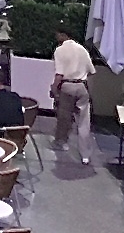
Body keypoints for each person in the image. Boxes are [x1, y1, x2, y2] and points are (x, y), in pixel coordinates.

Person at [51, 25, 95, 164]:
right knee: (83, 122)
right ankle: (85, 155)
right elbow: (92, 71)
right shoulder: (83, 50)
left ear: (63, 35)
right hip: (82, 86)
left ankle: (62, 142)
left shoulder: (60, 50)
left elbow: (59, 74)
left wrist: (54, 88)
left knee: (64, 117)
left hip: (67, 85)